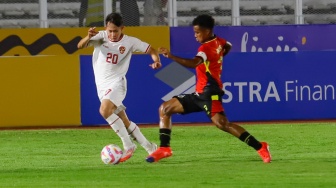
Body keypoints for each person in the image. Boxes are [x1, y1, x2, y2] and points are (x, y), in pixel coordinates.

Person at [146, 14, 272, 163]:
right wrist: (218, 59)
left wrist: (171, 56)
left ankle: (260, 146)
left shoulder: (205, 48)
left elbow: (194, 63)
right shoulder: (219, 41)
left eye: (197, 32)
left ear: (206, 32)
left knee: (222, 124)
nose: (195, 36)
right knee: (165, 109)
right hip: (200, 93)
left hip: (210, 93)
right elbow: (228, 46)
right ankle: (164, 149)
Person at [77, 13, 161, 162]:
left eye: (116, 31)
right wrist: (88, 36)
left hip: (117, 84)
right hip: (102, 88)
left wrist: (156, 61)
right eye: (110, 31)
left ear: (122, 28)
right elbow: (80, 46)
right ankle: (150, 148)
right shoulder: (100, 36)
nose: (112, 34)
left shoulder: (130, 42)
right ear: (106, 28)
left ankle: (128, 145)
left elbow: (152, 50)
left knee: (104, 110)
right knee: (125, 122)